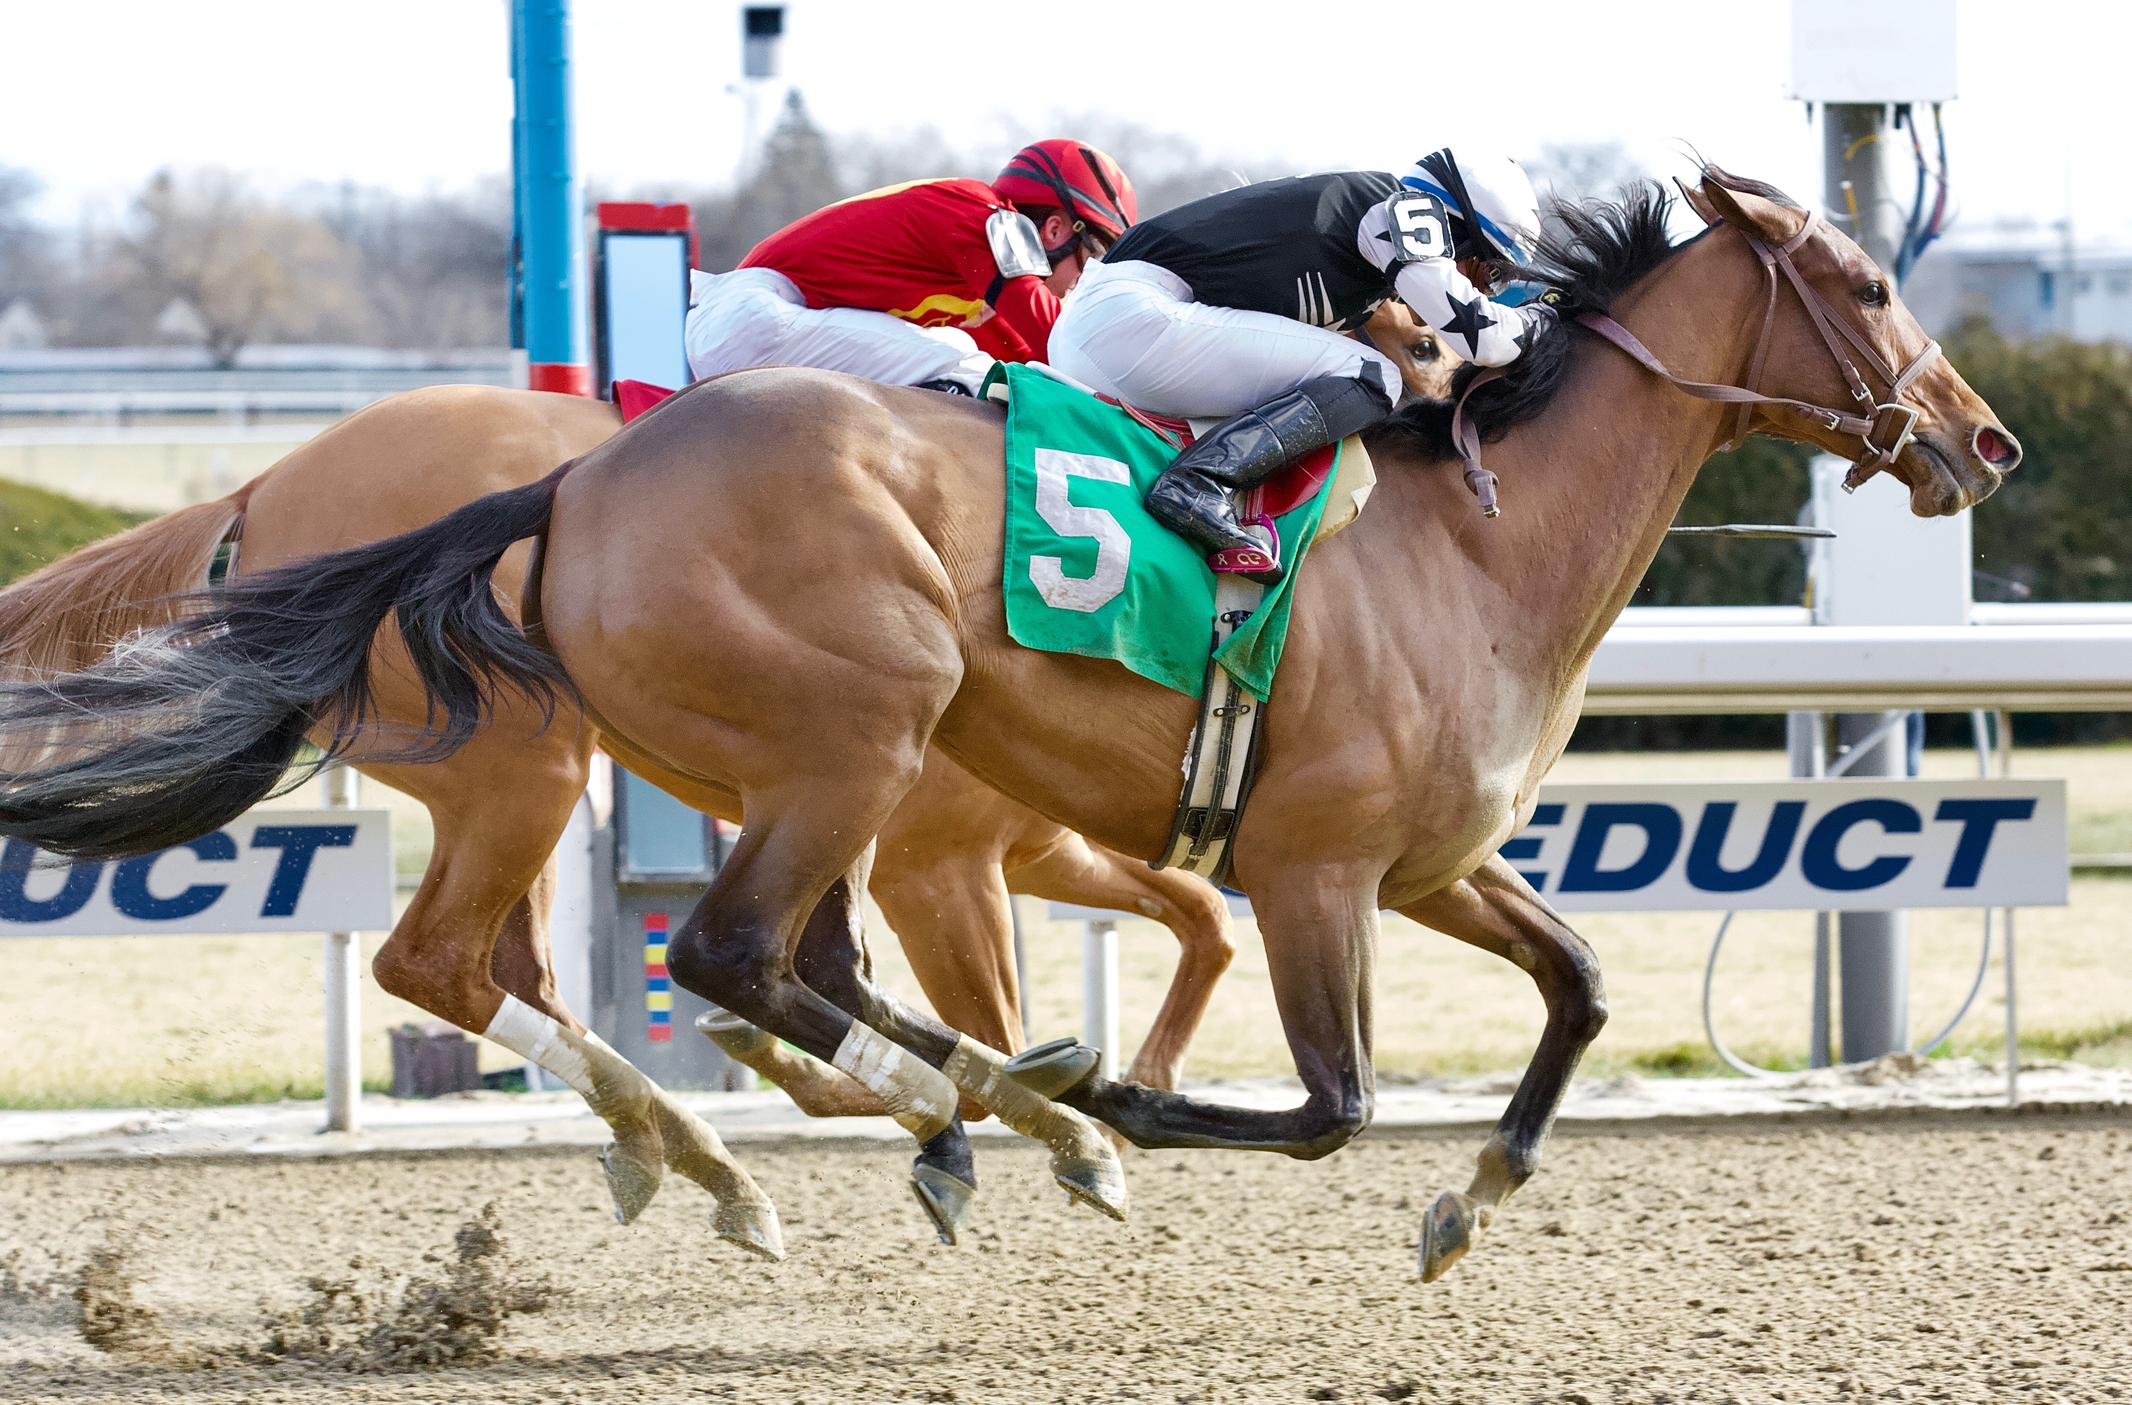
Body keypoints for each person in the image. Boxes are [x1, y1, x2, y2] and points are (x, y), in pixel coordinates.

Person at [1047, 149, 1552, 582]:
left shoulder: (1369, 257)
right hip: (1126, 320)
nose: (1485, 291)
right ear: (1460, 226)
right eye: (1491, 273)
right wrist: (1542, 321)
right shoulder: (1404, 208)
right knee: (1376, 375)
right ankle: (1199, 481)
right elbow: (1481, 337)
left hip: (1102, 329)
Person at [684, 140, 1136, 394]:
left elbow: (1035, 364)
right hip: (752, 317)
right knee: (966, 367)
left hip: (755, 329)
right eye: (1091, 255)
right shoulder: (981, 212)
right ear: (1056, 230)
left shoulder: (981, 288)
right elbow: (1064, 344)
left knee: (985, 366)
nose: (1081, 283)